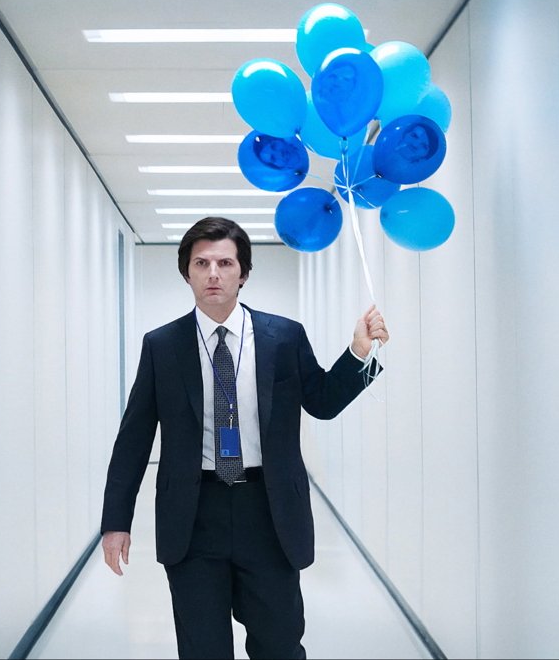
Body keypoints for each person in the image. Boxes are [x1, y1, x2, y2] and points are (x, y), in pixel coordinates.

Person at [100, 216, 389, 659]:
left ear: (244, 273)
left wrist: (358, 355)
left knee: (279, 644)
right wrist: (116, 521)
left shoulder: (283, 337)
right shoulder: (161, 345)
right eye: (201, 263)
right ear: (187, 273)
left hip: (268, 512)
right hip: (194, 516)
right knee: (203, 649)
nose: (213, 273)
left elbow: (323, 402)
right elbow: (133, 438)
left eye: (225, 263)